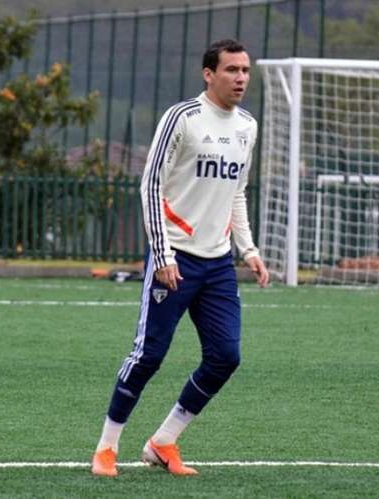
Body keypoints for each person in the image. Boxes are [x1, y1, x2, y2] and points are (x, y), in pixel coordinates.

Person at [91, 39, 269, 477]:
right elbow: (150, 186)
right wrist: (162, 251)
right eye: (231, 70)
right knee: (148, 356)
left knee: (226, 356)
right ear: (208, 73)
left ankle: (163, 441)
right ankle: (106, 447)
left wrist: (248, 249)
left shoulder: (247, 125)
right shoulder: (182, 119)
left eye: (245, 70)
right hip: (176, 259)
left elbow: (237, 193)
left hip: (218, 264)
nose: (241, 78)